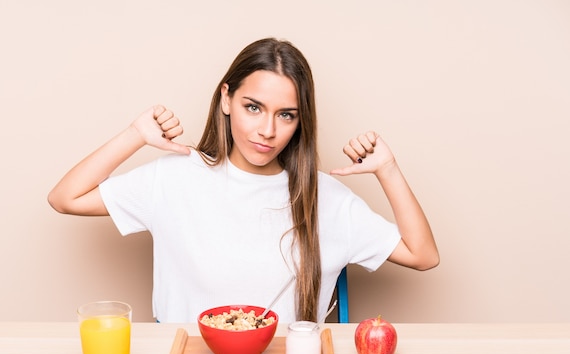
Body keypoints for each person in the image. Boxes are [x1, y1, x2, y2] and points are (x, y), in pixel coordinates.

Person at [48, 38, 439, 323]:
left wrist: (387, 169)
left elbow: (423, 256)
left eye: (286, 115)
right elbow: (65, 198)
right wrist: (134, 135)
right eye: (253, 108)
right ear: (226, 100)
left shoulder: (325, 197)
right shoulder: (175, 177)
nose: (267, 130)